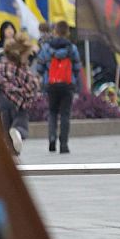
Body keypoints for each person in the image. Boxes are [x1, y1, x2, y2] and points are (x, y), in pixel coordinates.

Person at [34, 21, 82, 154]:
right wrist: (75, 82)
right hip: (67, 85)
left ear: (55, 32)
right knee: (65, 114)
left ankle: (52, 138)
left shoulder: (46, 47)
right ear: (67, 32)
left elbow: (39, 67)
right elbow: (77, 68)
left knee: (52, 112)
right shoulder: (72, 49)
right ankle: (64, 144)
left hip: (52, 84)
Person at [0, 36, 39, 155]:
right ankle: (18, 132)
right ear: (20, 55)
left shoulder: (1, 66)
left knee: (5, 129)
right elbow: (33, 85)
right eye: (27, 56)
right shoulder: (24, 70)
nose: (28, 59)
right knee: (21, 123)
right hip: (18, 103)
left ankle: (11, 154)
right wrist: (25, 92)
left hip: (3, 102)